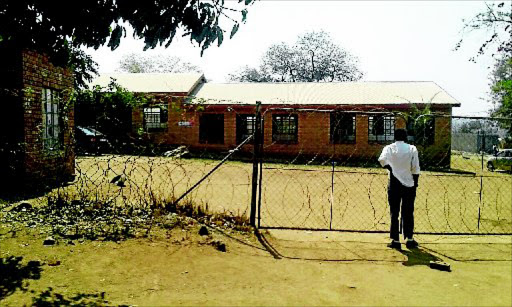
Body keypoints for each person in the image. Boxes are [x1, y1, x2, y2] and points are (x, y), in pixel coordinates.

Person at [378, 129, 420, 250]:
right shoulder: (412, 149)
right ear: (406, 137)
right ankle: (409, 239)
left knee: (394, 212)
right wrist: (415, 183)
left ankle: (395, 240)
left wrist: (392, 169)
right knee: (408, 211)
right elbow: (415, 168)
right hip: (409, 183)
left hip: (394, 183)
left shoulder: (389, 148)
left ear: (394, 137)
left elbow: (381, 160)